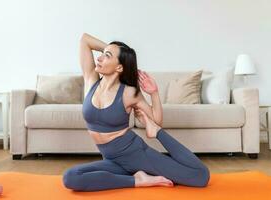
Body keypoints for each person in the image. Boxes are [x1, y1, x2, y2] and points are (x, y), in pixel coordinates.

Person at [62, 33, 210, 191]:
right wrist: (112, 50)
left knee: (200, 176)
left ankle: (154, 143)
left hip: (137, 156)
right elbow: (85, 40)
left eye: (107, 56)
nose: (99, 58)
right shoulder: (91, 81)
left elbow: (156, 120)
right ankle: (137, 179)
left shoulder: (129, 93)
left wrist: (154, 93)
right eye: (102, 54)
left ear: (119, 67)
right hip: (111, 160)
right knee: (71, 177)